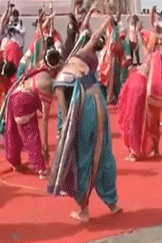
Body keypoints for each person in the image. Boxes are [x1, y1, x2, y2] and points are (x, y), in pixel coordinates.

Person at [48, 15, 121, 223]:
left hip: (85, 112)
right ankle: (112, 203)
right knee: (103, 152)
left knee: (82, 158)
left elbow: (64, 114)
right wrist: (106, 22)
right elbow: (94, 36)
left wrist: (63, 136)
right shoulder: (80, 57)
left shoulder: (60, 80)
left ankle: (83, 209)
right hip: (99, 103)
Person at [0, 46, 62, 178]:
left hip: (16, 95)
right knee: (31, 134)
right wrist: (45, 147)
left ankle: (15, 162)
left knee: (15, 133)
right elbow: (45, 119)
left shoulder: (40, 65)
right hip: (22, 102)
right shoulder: (46, 83)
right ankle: (40, 168)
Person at [117, 31, 162, 161]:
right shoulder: (154, 57)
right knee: (147, 119)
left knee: (134, 119)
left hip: (137, 85)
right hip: (138, 85)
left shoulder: (153, 57)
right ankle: (152, 149)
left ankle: (134, 151)